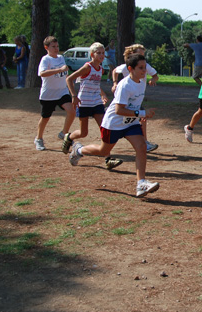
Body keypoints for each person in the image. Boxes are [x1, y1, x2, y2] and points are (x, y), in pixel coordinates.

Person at [68, 53, 160, 198]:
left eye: (145, 68)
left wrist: (139, 115)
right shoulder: (124, 85)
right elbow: (119, 110)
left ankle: (141, 184)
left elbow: (134, 102)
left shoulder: (141, 81)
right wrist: (142, 113)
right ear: (130, 69)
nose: (144, 71)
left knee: (141, 147)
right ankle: (78, 150)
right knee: (103, 151)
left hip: (130, 123)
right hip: (114, 123)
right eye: (141, 68)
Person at [61, 42, 122, 171]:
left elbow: (95, 84)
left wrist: (103, 94)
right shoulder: (87, 67)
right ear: (92, 55)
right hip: (84, 102)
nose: (101, 55)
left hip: (96, 102)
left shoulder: (101, 69)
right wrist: (73, 96)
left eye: (103, 53)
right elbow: (69, 79)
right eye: (98, 53)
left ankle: (108, 159)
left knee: (104, 129)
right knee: (84, 133)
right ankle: (69, 137)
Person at [112, 44, 160, 153]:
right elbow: (114, 71)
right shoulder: (125, 68)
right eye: (139, 54)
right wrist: (114, 83)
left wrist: (153, 79)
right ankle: (142, 142)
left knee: (141, 118)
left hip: (136, 98)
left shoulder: (145, 65)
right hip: (127, 98)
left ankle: (144, 142)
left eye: (143, 55)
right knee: (136, 117)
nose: (141, 57)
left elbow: (156, 75)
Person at [34, 36, 75, 151]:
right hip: (49, 94)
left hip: (62, 91)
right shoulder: (45, 59)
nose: (56, 49)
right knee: (45, 118)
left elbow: (64, 73)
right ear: (46, 47)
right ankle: (39, 139)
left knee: (72, 111)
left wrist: (70, 79)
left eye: (57, 46)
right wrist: (59, 70)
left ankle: (63, 133)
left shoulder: (61, 58)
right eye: (53, 47)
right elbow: (42, 73)